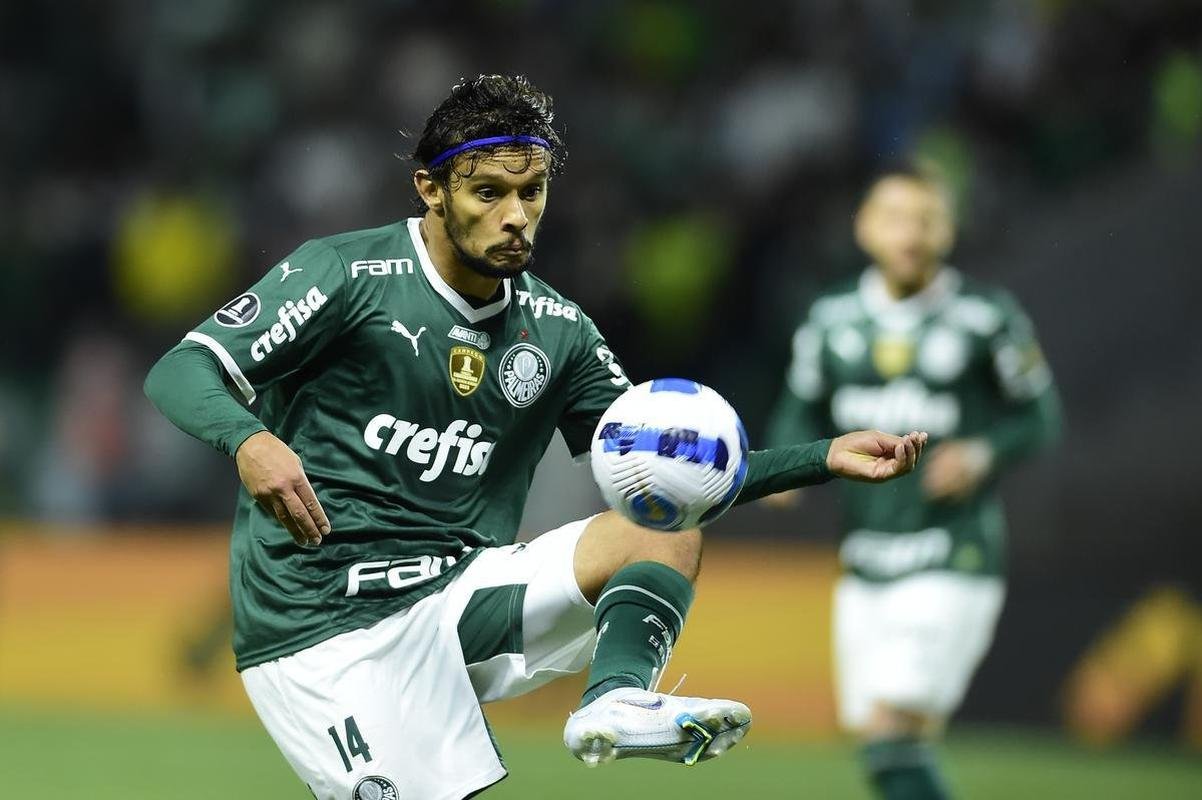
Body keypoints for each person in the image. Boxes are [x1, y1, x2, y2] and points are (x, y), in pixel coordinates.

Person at [144, 74, 928, 800]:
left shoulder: (557, 330)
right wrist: (250, 441)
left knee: (660, 522)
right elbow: (182, 369)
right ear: (431, 189)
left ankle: (616, 698)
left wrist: (821, 458)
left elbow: (672, 464)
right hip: (319, 624)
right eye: (488, 192)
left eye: (532, 191)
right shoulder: (346, 275)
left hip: (454, 593)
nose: (515, 215)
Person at [766, 163, 1061, 800]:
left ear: (948, 230)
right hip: (865, 560)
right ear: (865, 228)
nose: (911, 233)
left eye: (926, 219)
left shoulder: (984, 317)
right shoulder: (832, 320)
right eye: (895, 218)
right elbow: (798, 408)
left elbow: (1040, 416)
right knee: (890, 747)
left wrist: (982, 453)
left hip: (953, 553)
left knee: (888, 732)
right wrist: (786, 469)